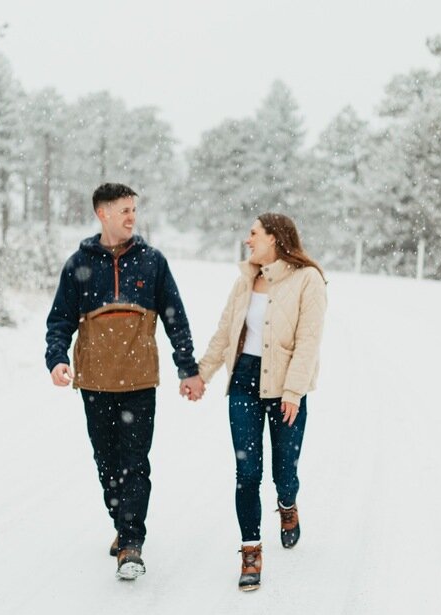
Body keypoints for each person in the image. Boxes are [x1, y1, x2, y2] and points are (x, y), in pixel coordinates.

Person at [45, 183, 205, 581]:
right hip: (95, 382)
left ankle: (132, 542)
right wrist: (57, 359)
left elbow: (174, 317)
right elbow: (60, 319)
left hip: (138, 381)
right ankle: (122, 520)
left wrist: (187, 368)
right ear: (102, 214)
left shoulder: (152, 262)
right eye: (124, 210)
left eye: (134, 209)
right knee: (107, 463)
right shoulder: (78, 265)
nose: (132, 216)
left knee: (135, 464)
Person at [196, 212, 327, 592]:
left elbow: (308, 341)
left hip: (286, 385)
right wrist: (201, 375)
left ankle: (288, 505)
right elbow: (225, 331)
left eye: (254, 233)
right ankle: (251, 550)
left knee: (284, 472)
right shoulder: (246, 280)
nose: (248, 239)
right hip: (243, 383)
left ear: (275, 238)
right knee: (247, 473)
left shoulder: (308, 280)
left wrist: (293, 392)